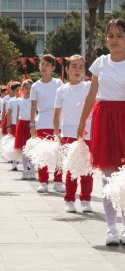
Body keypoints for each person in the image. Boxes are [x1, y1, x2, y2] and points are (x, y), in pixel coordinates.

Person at [77, 19, 125, 246]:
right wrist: (82, 121)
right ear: (106, 39)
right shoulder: (100, 63)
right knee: (107, 177)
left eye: (119, 36)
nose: (114, 40)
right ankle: (111, 228)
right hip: (104, 118)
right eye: (110, 35)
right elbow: (91, 95)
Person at [54, 55, 93, 213]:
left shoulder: (89, 87)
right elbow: (57, 114)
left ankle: (85, 199)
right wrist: (57, 133)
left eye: (81, 67)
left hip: (87, 132)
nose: (78, 70)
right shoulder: (61, 89)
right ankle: (69, 199)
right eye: (74, 66)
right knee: (71, 167)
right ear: (67, 69)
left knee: (86, 168)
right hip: (68, 132)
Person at [30, 54, 64, 193]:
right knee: (43, 153)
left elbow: (64, 102)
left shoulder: (58, 84)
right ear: (39, 65)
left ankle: (57, 181)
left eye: (47, 65)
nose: (44, 67)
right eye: (42, 64)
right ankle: (43, 181)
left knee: (58, 152)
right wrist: (32, 125)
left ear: (53, 68)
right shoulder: (35, 86)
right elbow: (33, 107)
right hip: (42, 121)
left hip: (58, 121)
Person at [14, 79, 35, 180]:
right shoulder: (19, 100)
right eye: (26, 88)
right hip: (22, 124)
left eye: (30, 88)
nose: (28, 90)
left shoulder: (34, 100)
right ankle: (25, 170)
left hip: (31, 124)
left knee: (32, 149)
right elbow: (18, 114)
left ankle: (32, 170)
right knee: (23, 149)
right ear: (22, 89)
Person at [6, 82, 21, 171]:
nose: (19, 92)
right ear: (14, 91)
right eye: (17, 90)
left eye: (20, 90)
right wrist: (8, 126)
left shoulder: (26, 100)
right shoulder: (11, 101)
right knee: (15, 144)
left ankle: (27, 165)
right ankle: (14, 163)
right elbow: (9, 114)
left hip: (23, 124)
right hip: (14, 124)